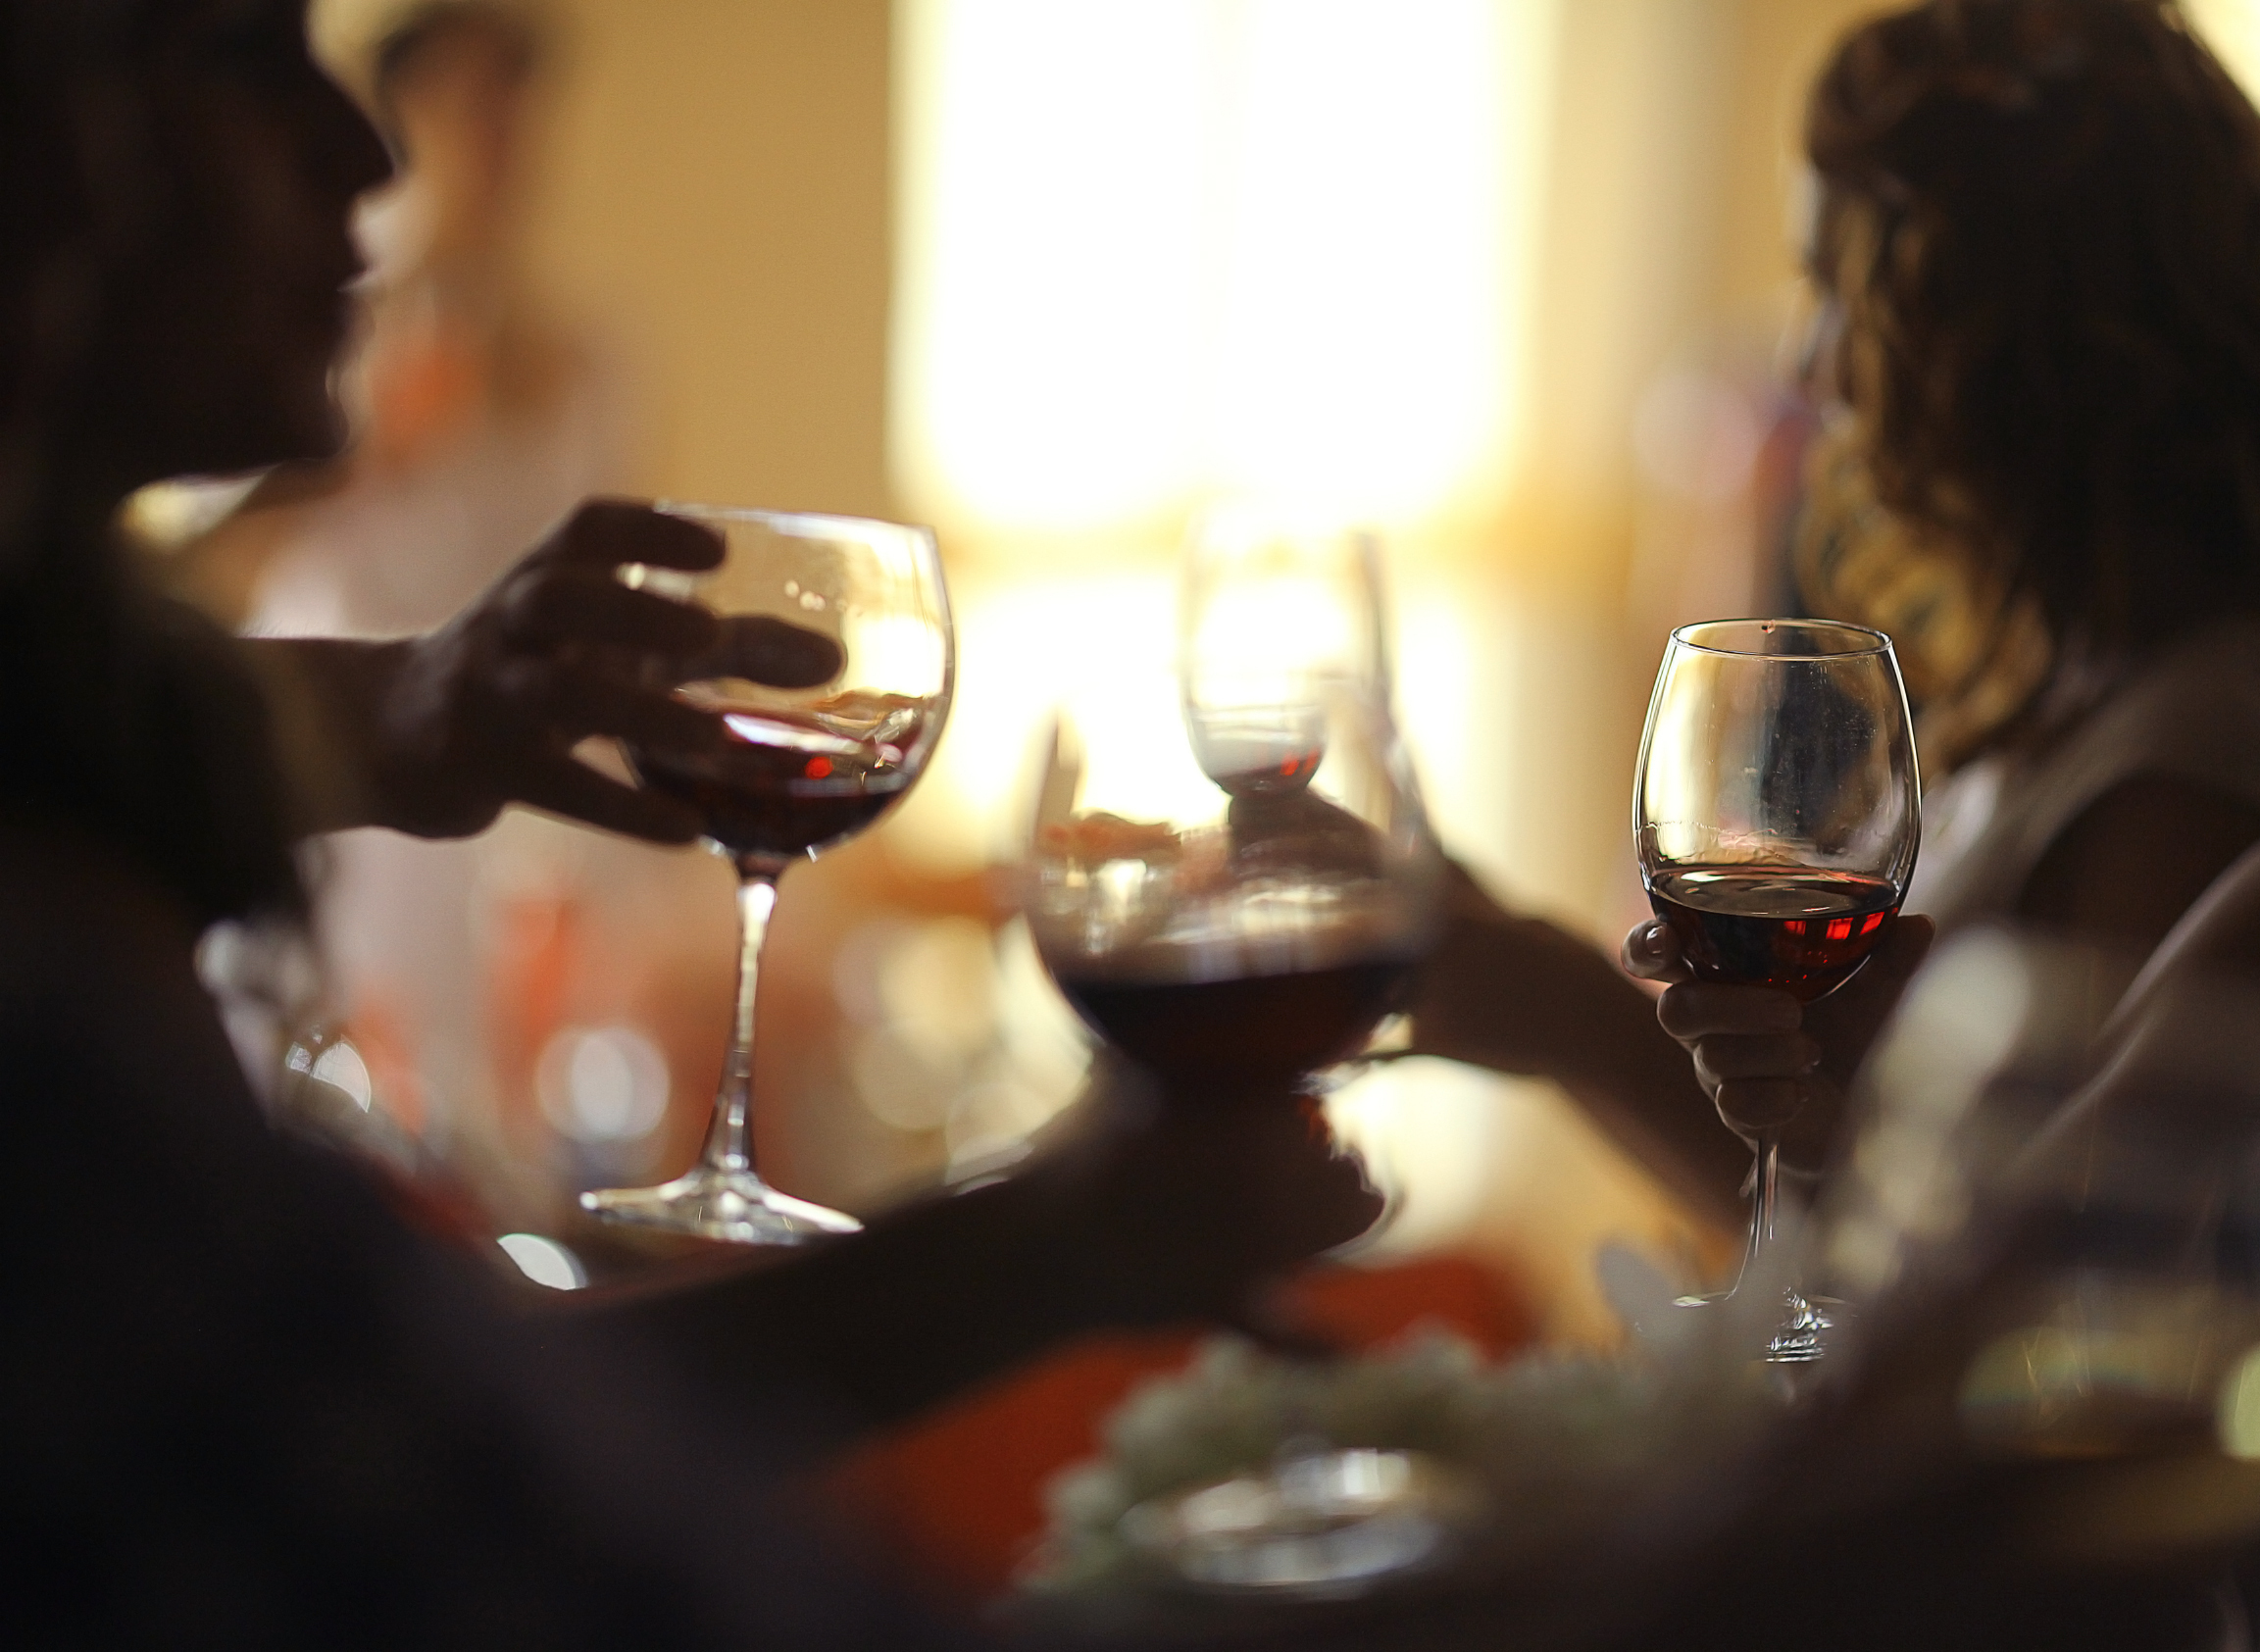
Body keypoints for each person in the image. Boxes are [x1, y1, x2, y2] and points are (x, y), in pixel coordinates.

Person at [0, 4, 1375, 1644]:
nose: (365, 152)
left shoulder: (114, 801)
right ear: (56, 144)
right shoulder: (53, 1023)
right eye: (230, 55)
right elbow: (462, 1501)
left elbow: (421, 1415)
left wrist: (393, 713)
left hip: (509, 860)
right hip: (407, 912)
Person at [1411, 0, 2260, 1221]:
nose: (1810, 363)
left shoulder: (2200, 760)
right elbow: (1910, 1186)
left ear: (2003, 329)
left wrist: (1569, 1021)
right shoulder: (2093, 678)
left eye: (1838, 287)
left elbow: (2031, 1313)